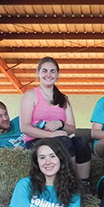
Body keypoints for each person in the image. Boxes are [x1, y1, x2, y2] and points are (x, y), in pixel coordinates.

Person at [20, 57, 92, 188]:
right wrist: (51, 135)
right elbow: (24, 127)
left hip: (59, 138)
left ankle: (84, 185)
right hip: (35, 140)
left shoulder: (63, 99)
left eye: (52, 71)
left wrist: (61, 124)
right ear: (38, 73)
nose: (49, 74)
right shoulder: (30, 95)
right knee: (64, 142)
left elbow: (72, 129)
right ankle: (69, 183)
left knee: (81, 142)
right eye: (45, 71)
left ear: (57, 75)